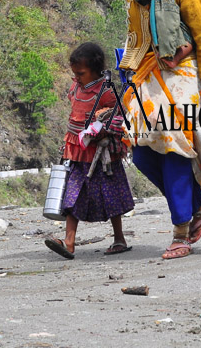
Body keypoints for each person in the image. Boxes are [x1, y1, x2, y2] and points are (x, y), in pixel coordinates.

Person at [85, 0, 201, 260]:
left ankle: (181, 232)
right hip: (144, 79)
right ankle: (198, 206)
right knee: (144, 154)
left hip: (180, 78)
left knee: (173, 151)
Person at [44, 43, 134, 260]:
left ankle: (119, 239)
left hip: (100, 155)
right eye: (74, 73)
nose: (77, 77)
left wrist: (102, 125)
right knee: (72, 195)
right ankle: (69, 242)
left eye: (81, 73)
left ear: (95, 69)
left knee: (111, 195)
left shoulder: (106, 91)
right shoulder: (76, 87)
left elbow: (119, 115)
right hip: (76, 151)